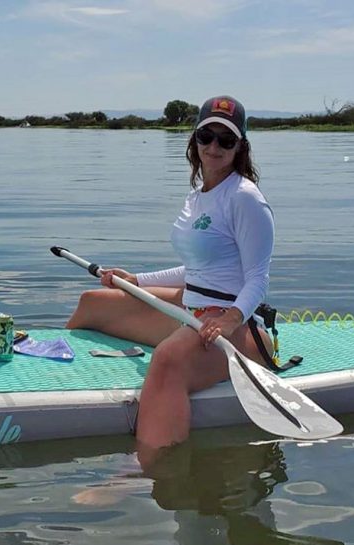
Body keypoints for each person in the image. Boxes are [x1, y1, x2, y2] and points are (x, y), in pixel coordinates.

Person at [66, 95, 275, 453]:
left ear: (240, 147)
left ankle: (147, 466)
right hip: (189, 308)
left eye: (226, 139)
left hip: (235, 328)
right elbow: (196, 269)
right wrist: (137, 281)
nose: (214, 146)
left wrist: (229, 319)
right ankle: (57, 387)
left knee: (166, 359)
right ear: (194, 140)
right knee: (93, 303)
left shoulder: (244, 198)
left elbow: (259, 277)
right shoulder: (198, 196)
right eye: (206, 135)